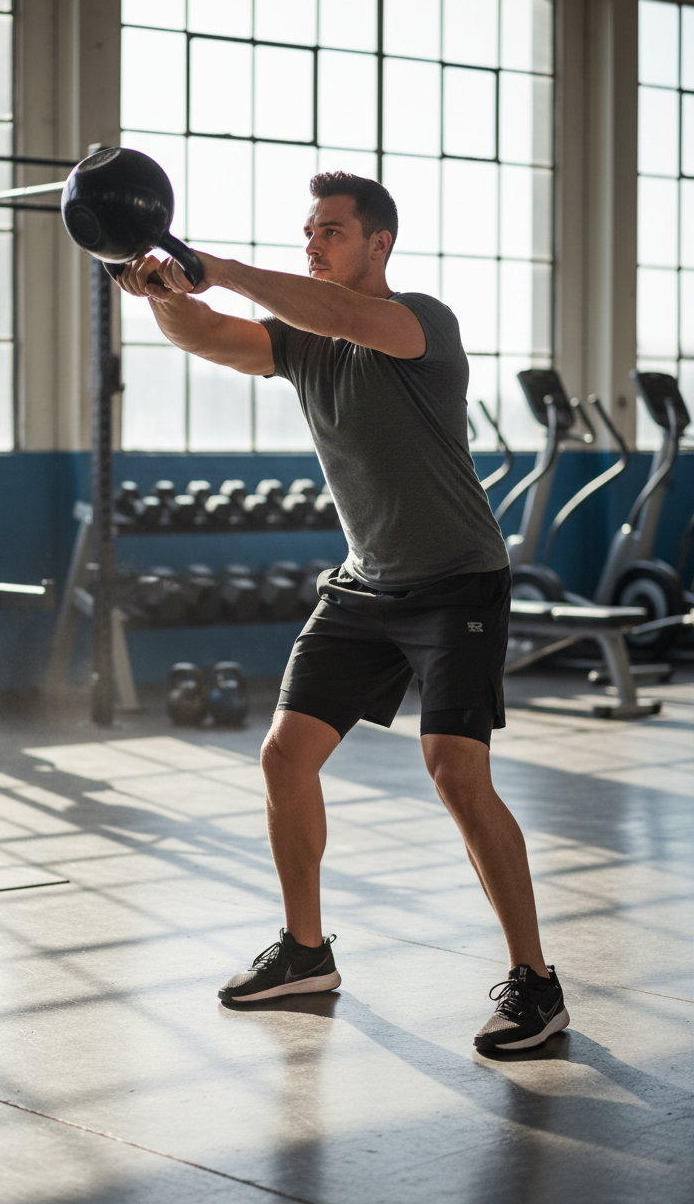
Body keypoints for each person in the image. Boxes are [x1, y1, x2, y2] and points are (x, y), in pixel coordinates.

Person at [116, 171, 570, 1052]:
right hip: (365, 586)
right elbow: (210, 337)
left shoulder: (419, 322)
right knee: (286, 755)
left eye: (330, 230)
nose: (314, 242)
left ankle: (536, 983)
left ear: (379, 243)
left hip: (455, 582)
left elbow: (342, 318)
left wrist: (217, 264)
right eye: (309, 230)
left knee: (454, 771)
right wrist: (160, 292)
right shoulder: (304, 341)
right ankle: (305, 951)